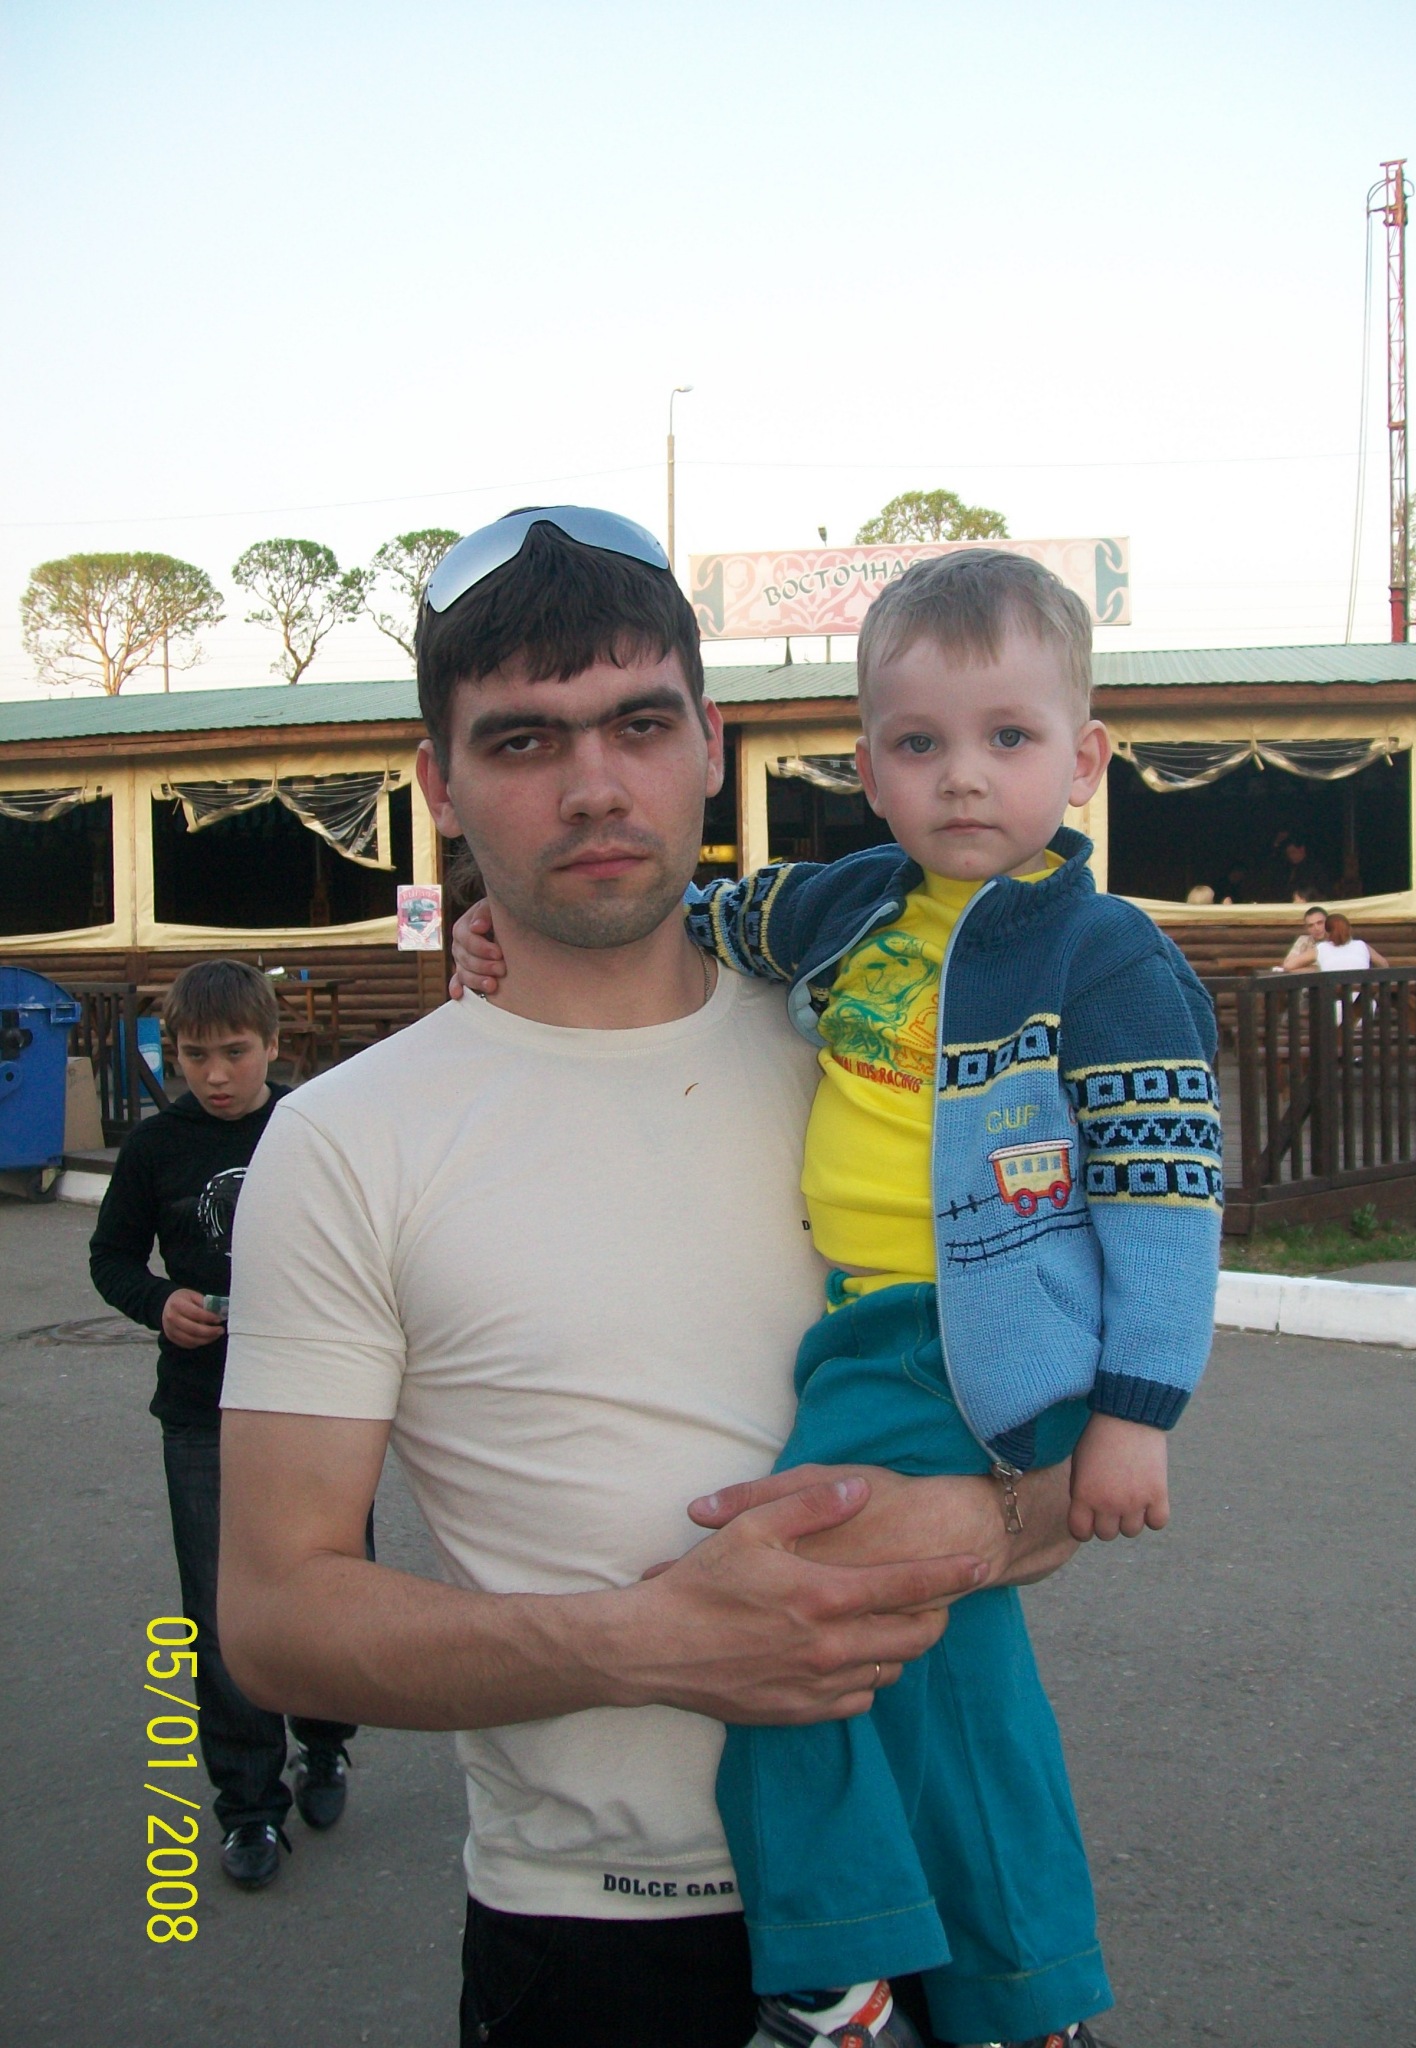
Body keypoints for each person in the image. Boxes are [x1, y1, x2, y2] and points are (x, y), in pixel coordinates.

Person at [215, 508, 1078, 2048]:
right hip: (597, 1942)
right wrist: (651, 1640)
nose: (596, 786)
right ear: (438, 783)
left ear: (711, 743)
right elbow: (275, 1617)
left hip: (946, 1878)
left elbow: (1081, 1468)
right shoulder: (345, 1143)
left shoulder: (871, 1049)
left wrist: (982, 1524)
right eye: (523, 740)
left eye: (639, 724)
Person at [455, 548, 1222, 2047]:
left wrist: (1138, 1413)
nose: (963, 777)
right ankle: (1021, 1993)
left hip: (962, 1340)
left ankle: (833, 1960)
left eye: (1009, 737)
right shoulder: (852, 907)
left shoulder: (1102, 954)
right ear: (866, 770)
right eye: (919, 743)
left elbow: (1166, 1193)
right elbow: (699, 919)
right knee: (955, 1684)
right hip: (869, 1324)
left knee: (777, 1620)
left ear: (1085, 757)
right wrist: (504, 924)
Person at [88, 960, 363, 1889]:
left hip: (319, 1405)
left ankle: (324, 1740)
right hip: (200, 1410)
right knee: (218, 1610)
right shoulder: (153, 1147)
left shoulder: (313, 1129)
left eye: (235, 1052)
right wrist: (159, 1302)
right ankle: (248, 1807)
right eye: (194, 1055)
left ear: (274, 1045)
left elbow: (369, 1248)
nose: (215, 1074)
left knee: (330, 1587)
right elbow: (112, 1257)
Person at [1314, 912, 1387, 970]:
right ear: (1349, 929)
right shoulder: (1361, 945)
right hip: (1360, 985)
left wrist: (1315, 969)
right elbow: (1383, 964)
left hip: (1333, 985)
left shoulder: (1321, 948)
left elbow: (1304, 960)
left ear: (1327, 933)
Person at [1280, 903, 1329, 971]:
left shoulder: (1337, 941)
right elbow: (1287, 966)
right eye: (1311, 925)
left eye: (1320, 923)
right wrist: (1315, 969)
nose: (1316, 928)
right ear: (1307, 929)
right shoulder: (1304, 940)